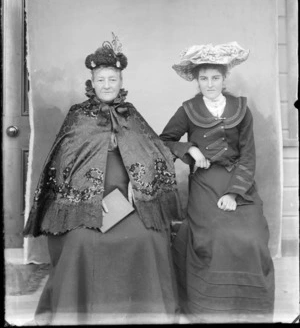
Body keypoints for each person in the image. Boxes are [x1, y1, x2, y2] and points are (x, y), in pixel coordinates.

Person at [23, 33, 183, 325]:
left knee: (148, 237)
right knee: (82, 241)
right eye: (101, 80)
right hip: (87, 203)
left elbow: (153, 151)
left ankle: (144, 313)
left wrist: (140, 186)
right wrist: (92, 201)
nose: (107, 85)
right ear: (92, 83)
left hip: (129, 201)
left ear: (120, 82)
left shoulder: (131, 114)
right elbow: (62, 165)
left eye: (112, 79)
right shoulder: (77, 116)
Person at [159, 42, 275, 323]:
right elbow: (164, 141)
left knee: (253, 239)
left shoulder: (241, 109)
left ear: (224, 79)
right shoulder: (188, 109)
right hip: (205, 183)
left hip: (238, 183)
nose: (209, 84)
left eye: (215, 78)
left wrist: (235, 194)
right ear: (196, 81)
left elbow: (248, 156)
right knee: (214, 239)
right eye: (203, 78)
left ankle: (249, 308)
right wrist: (190, 150)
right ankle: (209, 309)